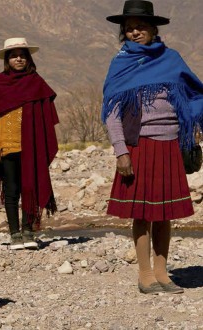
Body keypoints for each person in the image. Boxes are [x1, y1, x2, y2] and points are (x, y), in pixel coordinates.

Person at [102, 0, 203, 294]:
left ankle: (162, 273)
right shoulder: (121, 64)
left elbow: (194, 92)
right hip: (139, 145)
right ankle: (145, 274)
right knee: (142, 213)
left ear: (153, 29)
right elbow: (111, 112)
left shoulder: (171, 59)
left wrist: (192, 127)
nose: (135, 32)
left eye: (140, 26)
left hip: (170, 144)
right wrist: (121, 151)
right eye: (129, 28)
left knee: (164, 213)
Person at [0, 38, 59, 250]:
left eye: (22, 55)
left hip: (32, 146)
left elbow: (45, 114)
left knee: (30, 187)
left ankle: (28, 230)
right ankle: (14, 234)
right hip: (6, 147)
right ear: (7, 59)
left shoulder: (36, 82)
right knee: (12, 190)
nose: (18, 58)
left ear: (28, 58)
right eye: (14, 55)